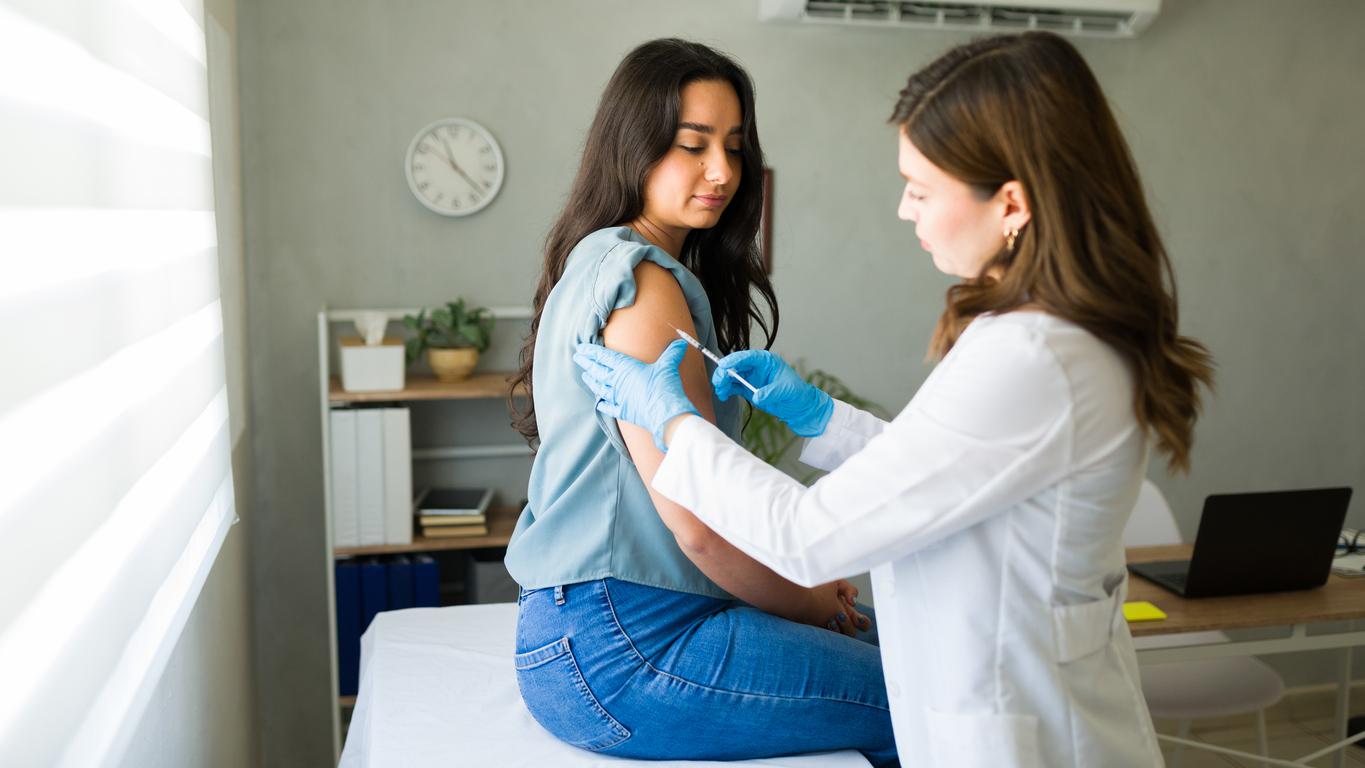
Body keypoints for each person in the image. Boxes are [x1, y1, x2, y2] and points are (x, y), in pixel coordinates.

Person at [575, 31, 1215, 768]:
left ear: (1010, 203)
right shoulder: (1042, 334)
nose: (905, 210)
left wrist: (677, 424)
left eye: (921, 188)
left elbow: (808, 535)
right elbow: (953, 476)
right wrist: (822, 419)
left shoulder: (1032, 356)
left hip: (1021, 727)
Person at [503, 38, 899, 766]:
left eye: (734, 147)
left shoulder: (593, 260)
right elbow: (698, 532)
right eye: (693, 145)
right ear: (634, 148)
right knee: (919, 700)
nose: (722, 171)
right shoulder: (645, 285)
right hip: (626, 644)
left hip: (583, 635)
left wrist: (804, 587)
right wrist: (806, 599)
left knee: (904, 645)